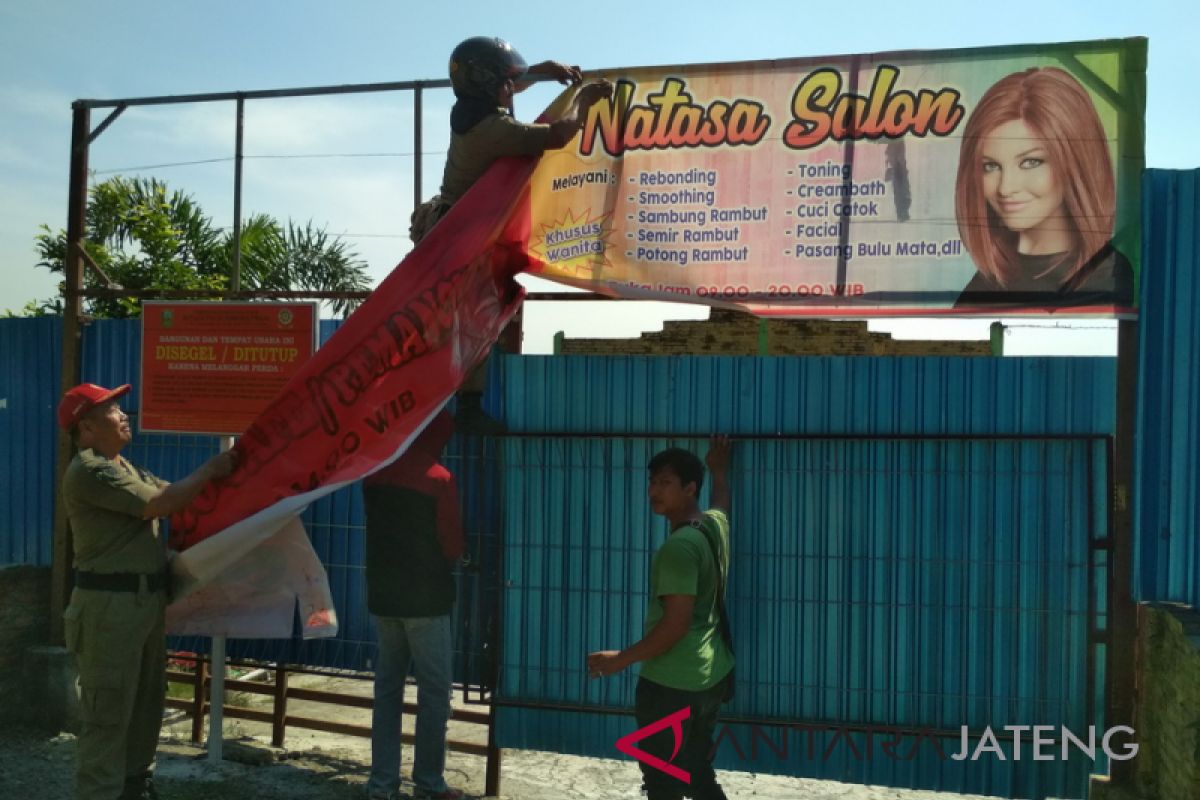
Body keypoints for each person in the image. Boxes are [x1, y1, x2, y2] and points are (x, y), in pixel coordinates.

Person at [410, 36, 614, 434]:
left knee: (472, 314)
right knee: (473, 317)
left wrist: (541, 70)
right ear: (489, 86)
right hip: (459, 237)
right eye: (507, 82)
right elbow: (558, 135)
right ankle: (467, 406)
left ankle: (461, 396)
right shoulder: (493, 128)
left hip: (456, 226)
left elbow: (508, 85)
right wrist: (584, 103)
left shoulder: (473, 109)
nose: (512, 88)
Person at [57, 382, 236, 800]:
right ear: (86, 426)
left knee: (144, 708)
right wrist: (211, 470)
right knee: (108, 716)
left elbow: (176, 495)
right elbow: (162, 502)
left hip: (141, 604)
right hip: (108, 609)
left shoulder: (123, 466)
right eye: (112, 409)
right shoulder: (89, 469)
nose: (124, 415)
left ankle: (135, 786)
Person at [587, 437, 735, 800]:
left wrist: (619, 660)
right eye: (652, 482)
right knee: (697, 772)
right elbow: (721, 504)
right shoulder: (712, 527)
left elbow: (676, 624)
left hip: (671, 686)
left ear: (689, 489)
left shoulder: (678, 549)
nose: (654, 491)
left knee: (663, 782)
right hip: (709, 677)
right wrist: (719, 471)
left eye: (665, 483)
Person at [953, 66, 1133, 308]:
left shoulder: (1108, 275)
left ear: (1076, 160)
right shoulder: (986, 284)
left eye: (1030, 162)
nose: (1006, 188)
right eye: (990, 166)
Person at [362, 410, 466, 800]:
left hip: (384, 598)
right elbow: (452, 544)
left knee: (388, 690)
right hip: (427, 601)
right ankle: (428, 783)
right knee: (435, 694)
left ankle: (382, 784)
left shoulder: (374, 474)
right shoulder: (439, 479)